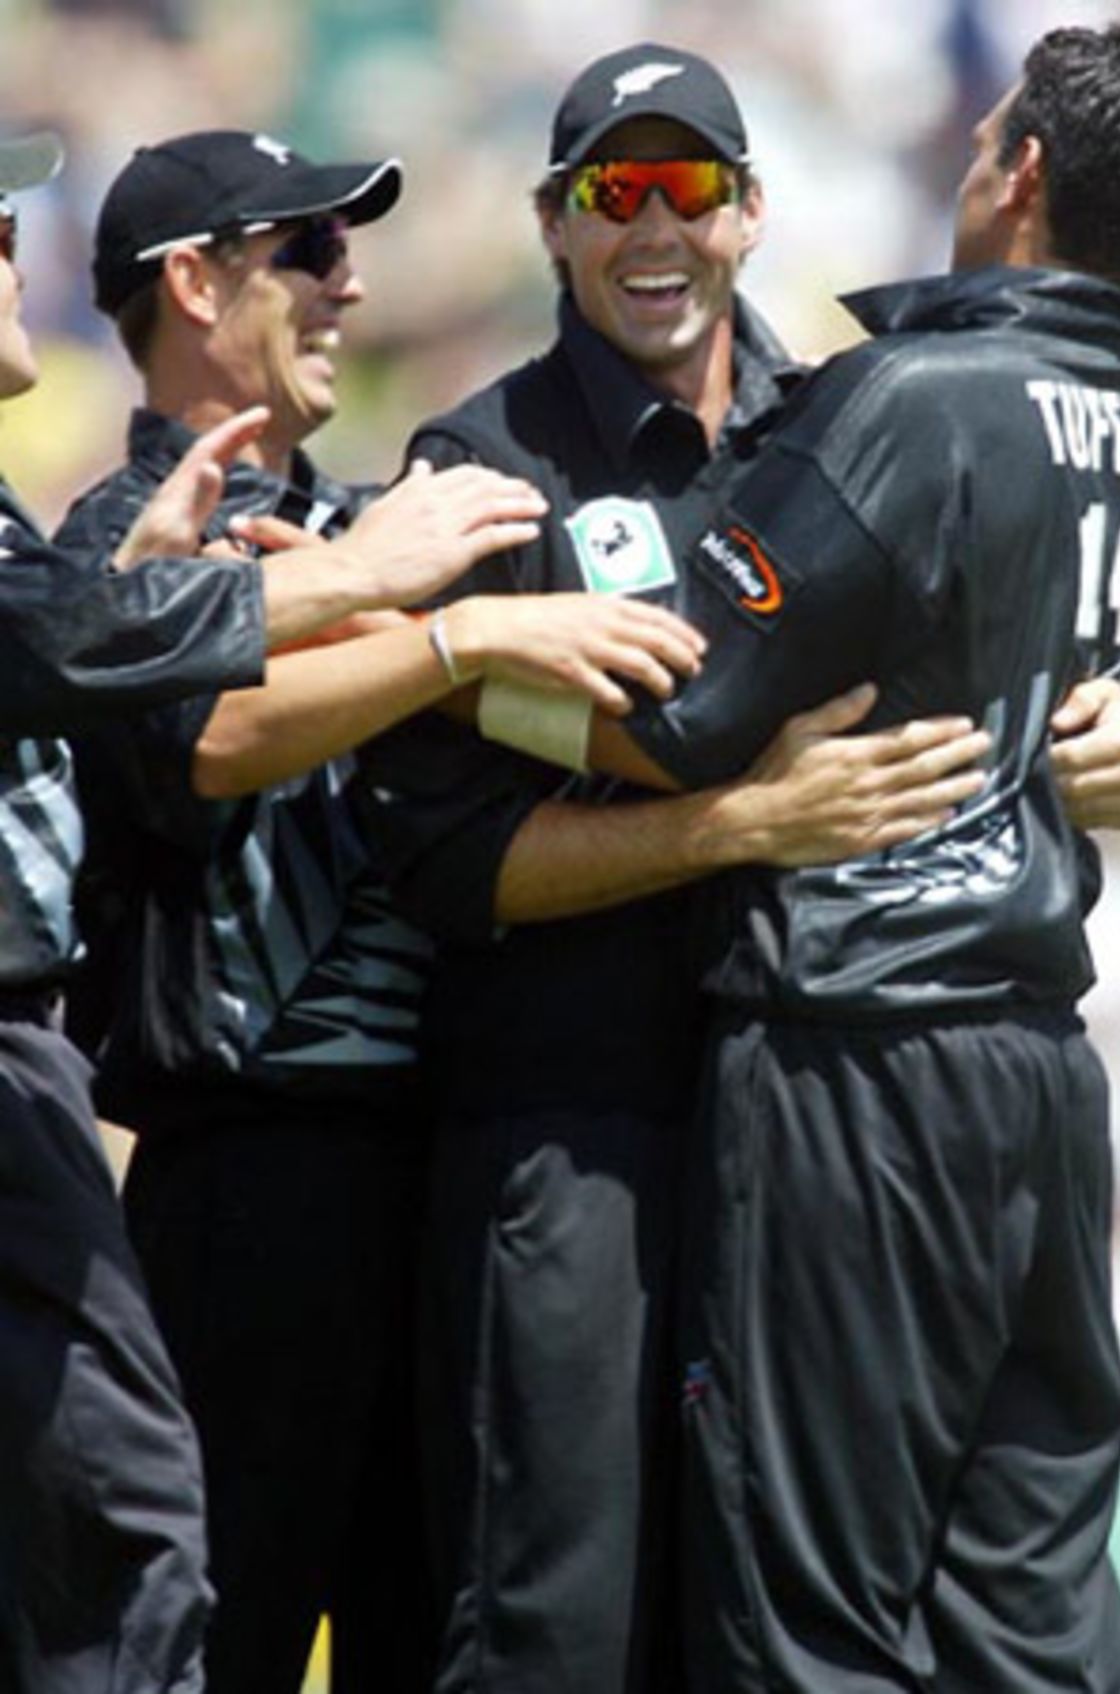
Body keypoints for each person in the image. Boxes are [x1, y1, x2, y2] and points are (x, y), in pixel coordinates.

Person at [357, 39, 1120, 1694]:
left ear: (750, 215)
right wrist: (729, 826)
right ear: (552, 223)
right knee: (562, 1629)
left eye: (692, 187)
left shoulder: (854, 417)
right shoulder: (476, 467)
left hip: (825, 1118)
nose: (654, 227)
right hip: (578, 1139)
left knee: (835, 1621)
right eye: (615, 190)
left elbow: (1059, 651)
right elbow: (445, 866)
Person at [51, 126, 711, 1694]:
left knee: (440, 1644)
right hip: (247, 1185)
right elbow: (203, 748)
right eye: (311, 254)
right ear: (194, 285)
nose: (350, 287)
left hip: (444, 1175)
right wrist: (450, 632)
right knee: (223, 1635)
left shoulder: (391, 519)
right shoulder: (108, 552)